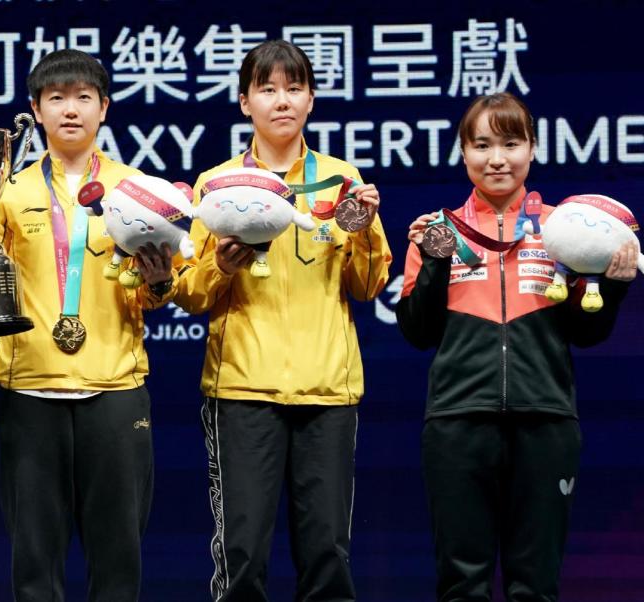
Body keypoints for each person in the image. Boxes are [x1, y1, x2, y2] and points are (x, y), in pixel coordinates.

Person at [396, 92, 638, 601]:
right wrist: (436, 257)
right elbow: (417, 333)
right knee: (462, 585)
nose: (497, 159)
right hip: (457, 420)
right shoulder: (437, 229)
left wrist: (613, 288)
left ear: (532, 149)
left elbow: (587, 333)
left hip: (546, 421)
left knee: (536, 585)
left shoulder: (567, 230)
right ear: (463, 152)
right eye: (482, 145)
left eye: (511, 143)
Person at [0, 49, 174, 601]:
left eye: (83, 98)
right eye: (56, 98)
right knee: (34, 560)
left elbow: (161, 293)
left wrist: (160, 280)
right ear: (36, 110)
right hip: (30, 389)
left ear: (104, 108)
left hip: (114, 388)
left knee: (118, 558)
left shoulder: (138, 190)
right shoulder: (5, 191)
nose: (70, 109)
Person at [173, 40, 392, 601]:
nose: (282, 101)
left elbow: (368, 285)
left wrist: (365, 230)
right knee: (242, 553)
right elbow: (189, 293)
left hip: (327, 389)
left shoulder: (342, 180)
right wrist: (222, 266)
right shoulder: (215, 185)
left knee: (327, 555)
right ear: (244, 101)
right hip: (242, 390)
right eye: (267, 89)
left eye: (294, 88)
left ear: (311, 100)